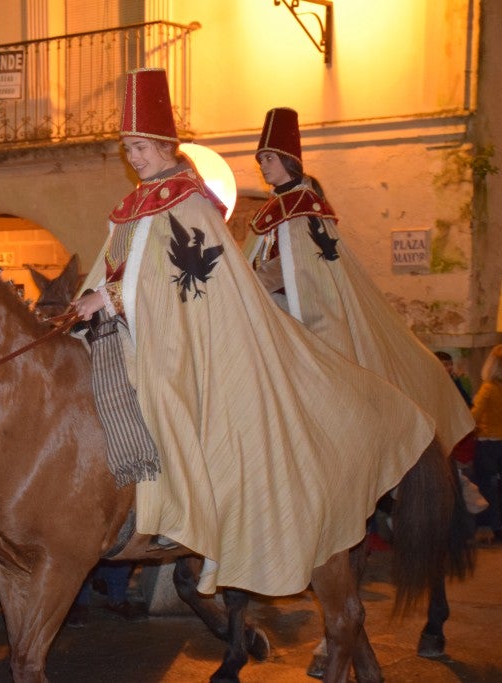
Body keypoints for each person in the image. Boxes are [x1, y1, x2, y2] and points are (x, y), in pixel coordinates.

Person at [71, 68, 436, 597]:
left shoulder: (188, 201)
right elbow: (122, 265)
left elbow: (189, 280)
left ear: (164, 143)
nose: (133, 156)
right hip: (143, 322)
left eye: (140, 146)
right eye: (126, 148)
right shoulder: (139, 203)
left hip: (190, 332)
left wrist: (111, 297)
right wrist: (89, 304)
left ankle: (188, 505)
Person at [244, 107, 474, 459]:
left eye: (270, 158)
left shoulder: (300, 205)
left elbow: (297, 267)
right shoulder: (278, 205)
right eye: (261, 159)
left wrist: (251, 280)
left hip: (302, 306)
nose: (263, 165)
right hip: (278, 299)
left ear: (289, 161)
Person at [472, 346, 502, 543]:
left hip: (488, 445)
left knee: (487, 487)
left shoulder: (489, 388)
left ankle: (494, 527)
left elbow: (474, 416)